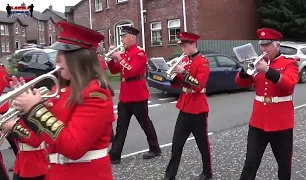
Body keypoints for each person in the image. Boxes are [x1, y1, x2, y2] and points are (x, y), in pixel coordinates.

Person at [5, 21, 115, 180]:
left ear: (78, 58)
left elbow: (73, 147)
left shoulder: (96, 93)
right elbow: (44, 134)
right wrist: (25, 105)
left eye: (62, 54)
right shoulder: (63, 90)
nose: (56, 59)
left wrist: (35, 109)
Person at [235, 28, 299, 180]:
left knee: (283, 165)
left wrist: (268, 70)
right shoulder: (257, 64)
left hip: (281, 124)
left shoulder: (289, 63)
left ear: (277, 45)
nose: (263, 49)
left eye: (267, 45)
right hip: (258, 123)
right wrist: (245, 70)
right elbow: (240, 83)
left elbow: (288, 84)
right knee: (250, 162)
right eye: (261, 45)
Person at [107, 26, 161, 164]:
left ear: (132, 37)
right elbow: (114, 71)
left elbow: (132, 72)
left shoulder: (139, 53)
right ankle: (115, 154)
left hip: (137, 95)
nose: (122, 39)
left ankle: (155, 148)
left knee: (145, 124)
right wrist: (111, 60)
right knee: (121, 126)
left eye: (124, 37)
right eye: (121, 37)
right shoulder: (124, 53)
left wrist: (119, 58)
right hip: (125, 96)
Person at [163, 32, 212, 180]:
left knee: (202, 144)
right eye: (182, 46)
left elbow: (198, 85)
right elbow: (178, 83)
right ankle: (170, 174)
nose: (183, 49)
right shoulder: (184, 59)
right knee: (176, 143)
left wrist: (183, 72)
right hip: (184, 107)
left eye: (185, 45)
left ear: (193, 45)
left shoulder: (203, 62)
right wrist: (172, 75)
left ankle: (207, 172)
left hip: (198, 108)